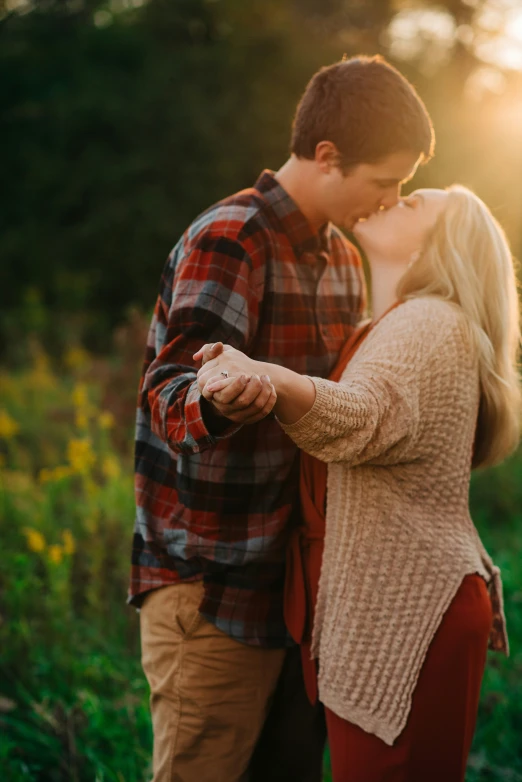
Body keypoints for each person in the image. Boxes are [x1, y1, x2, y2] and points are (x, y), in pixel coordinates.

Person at [130, 54, 434, 782]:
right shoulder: (233, 236)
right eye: (384, 182)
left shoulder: (342, 260)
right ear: (327, 156)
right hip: (212, 589)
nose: (391, 201)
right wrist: (217, 398)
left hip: (299, 590)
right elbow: (169, 388)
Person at [195, 184, 521, 781]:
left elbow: (361, 416)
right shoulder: (392, 324)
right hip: (395, 609)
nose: (392, 199)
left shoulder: (428, 321)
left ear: (442, 244)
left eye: (414, 202)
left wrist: (262, 374)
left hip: (408, 614)